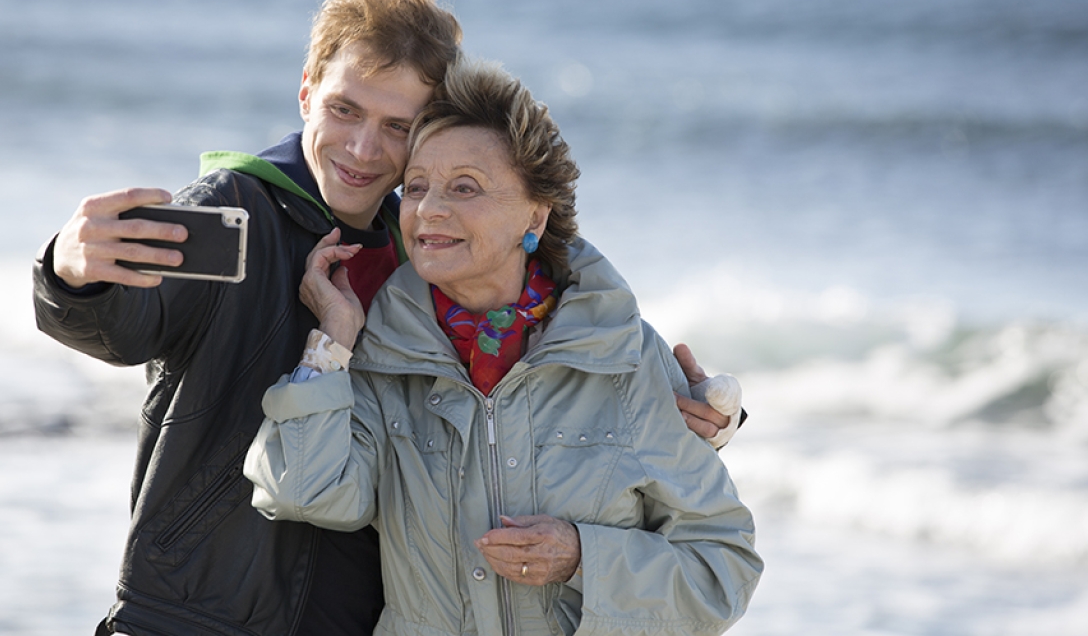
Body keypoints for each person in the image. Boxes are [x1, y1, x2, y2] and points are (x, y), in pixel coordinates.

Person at [33, 0, 739, 634]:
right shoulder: (233, 211)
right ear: (307, 91)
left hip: (349, 616)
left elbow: (552, 369)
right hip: (195, 612)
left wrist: (700, 404)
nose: (365, 147)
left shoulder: (423, 261)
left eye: (398, 127)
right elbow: (124, 327)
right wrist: (73, 272)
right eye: (345, 108)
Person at [244, 58, 762, 635]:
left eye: (465, 187)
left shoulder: (624, 358)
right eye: (416, 187)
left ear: (535, 215)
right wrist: (331, 343)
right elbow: (302, 492)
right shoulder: (379, 355)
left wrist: (583, 558)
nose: (429, 208)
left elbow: (723, 567)